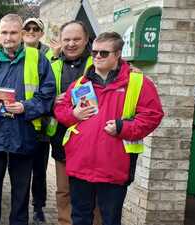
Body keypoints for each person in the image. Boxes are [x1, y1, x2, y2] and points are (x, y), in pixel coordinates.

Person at [54, 31, 164, 225]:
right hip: (80, 164)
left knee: (110, 219)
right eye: (94, 52)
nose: (97, 56)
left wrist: (123, 127)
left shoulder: (138, 83)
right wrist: (73, 115)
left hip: (113, 166)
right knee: (79, 217)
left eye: (103, 53)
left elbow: (152, 116)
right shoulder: (81, 82)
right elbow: (60, 108)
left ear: (118, 54)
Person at [0, 14, 55, 225]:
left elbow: (48, 93)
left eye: (13, 32)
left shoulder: (37, 58)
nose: (8, 37)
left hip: (23, 133)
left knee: (21, 188)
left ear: (22, 34)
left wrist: (25, 107)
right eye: (4, 32)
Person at [48, 20, 103, 225]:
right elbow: (40, 96)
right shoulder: (52, 65)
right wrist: (51, 100)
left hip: (93, 142)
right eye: (67, 39)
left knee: (94, 192)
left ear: (87, 40)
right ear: (61, 41)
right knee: (64, 191)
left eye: (76, 39)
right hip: (63, 139)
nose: (71, 44)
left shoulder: (97, 63)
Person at [21, 17, 55, 224]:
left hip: (41, 124)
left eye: (36, 29)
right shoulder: (15, 51)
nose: (31, 31)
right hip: (19, 123)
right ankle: (20, 206)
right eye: (28, 28)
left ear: (41, 33)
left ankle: (38, 207)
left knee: (39, 171)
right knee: (20, 171)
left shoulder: (50, 55)